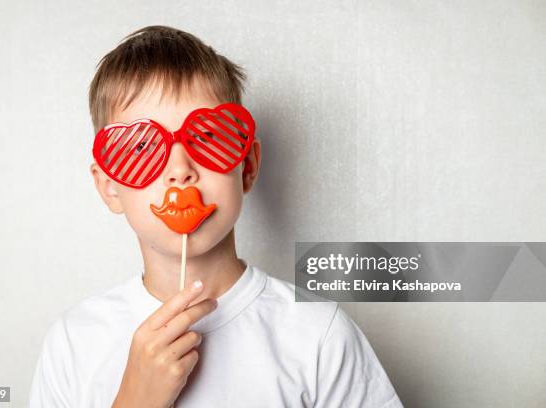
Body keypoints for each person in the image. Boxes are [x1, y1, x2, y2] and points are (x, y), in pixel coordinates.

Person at [28, 25, 403, 408]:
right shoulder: (75, 342)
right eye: (142, 145)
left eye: (206, 137)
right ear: (110, 187)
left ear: (248, 166)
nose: (179, 169)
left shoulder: (318, 336)